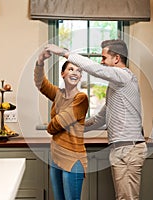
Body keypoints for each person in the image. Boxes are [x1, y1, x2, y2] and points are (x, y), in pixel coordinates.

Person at [45, 39, 148, 200]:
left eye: (104, 57)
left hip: (128, 149)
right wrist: (74, 127)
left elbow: (95, 69)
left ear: (117, 58)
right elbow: (100, 119)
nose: (102, 61)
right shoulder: (116, 87)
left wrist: (65, 53)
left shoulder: (124, 76)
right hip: (121, 149)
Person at [34, 49, 89, 200]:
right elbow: (41, 84)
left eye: (78, 71)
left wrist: (49, 125)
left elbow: (58, 123)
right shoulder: (59, 94)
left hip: (73, 159)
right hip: (56, 157)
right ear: (62, 73)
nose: (75, 73)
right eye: (71, 69)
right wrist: (40, 62)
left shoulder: (81, 98)